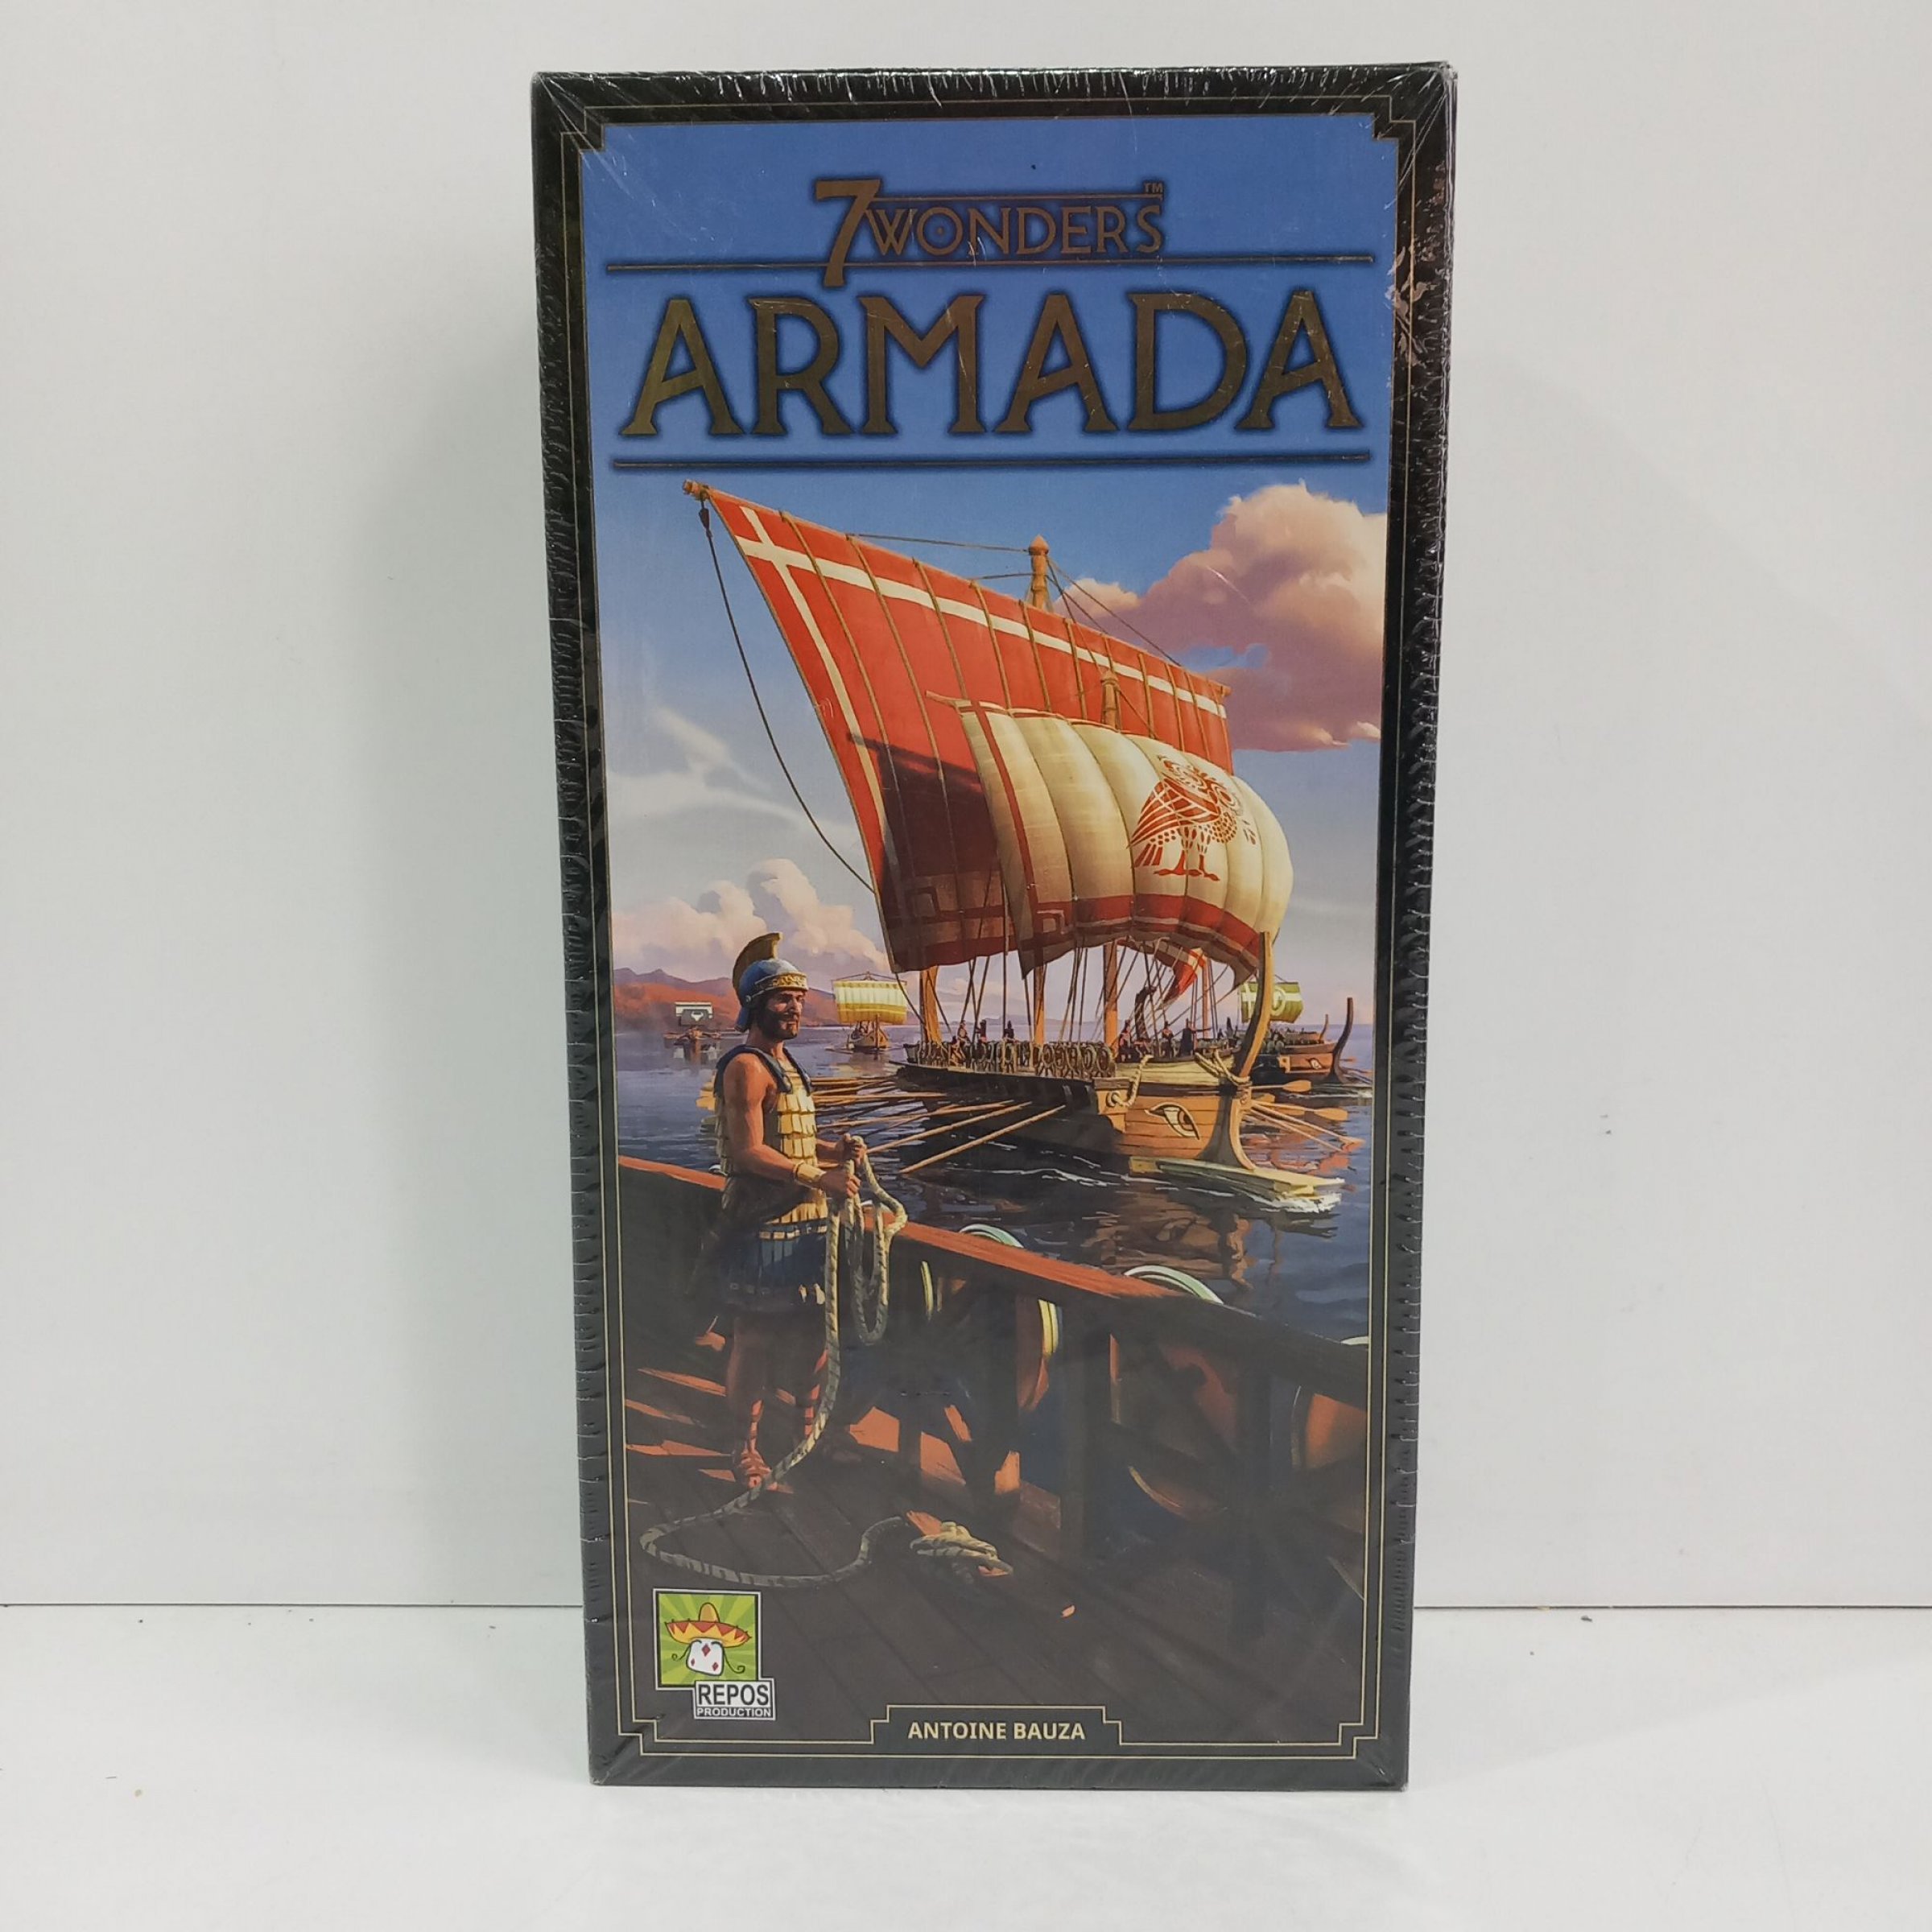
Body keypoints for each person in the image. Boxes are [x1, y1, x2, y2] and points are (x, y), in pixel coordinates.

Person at [709, 934, 863, 1488]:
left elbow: (792, 1138)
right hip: (762, 1224)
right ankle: (744, 1448)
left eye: (798, 998)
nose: (795, 1008)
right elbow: (749, 1152)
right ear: (756, 1005)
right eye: (782, 999)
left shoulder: (787, 1064)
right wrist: (818, 1175)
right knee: (753, 1339)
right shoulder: (746, 1068)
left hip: (809, 1222)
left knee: (813, 1336)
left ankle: (807, 1435)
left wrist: (833, 1151)